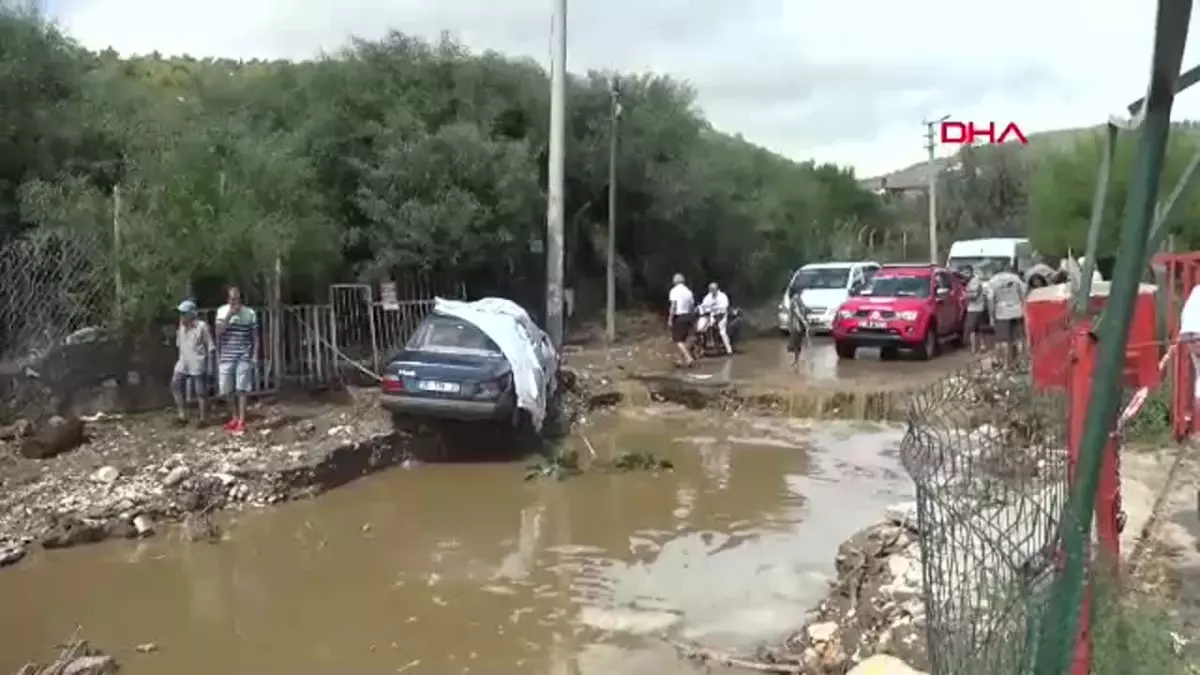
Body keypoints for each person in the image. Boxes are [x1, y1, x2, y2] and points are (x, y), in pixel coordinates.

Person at [216, 287, 258, 434]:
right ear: (228, 300)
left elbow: (255, 336)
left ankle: (242, 420)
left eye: (238, 298)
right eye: (233, 299)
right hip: (226, 355)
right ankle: (234, 417)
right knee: (226, 390)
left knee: (242, 388)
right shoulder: (221, 312)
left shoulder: (250, 313)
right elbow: (219, 332)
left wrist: (254, 355)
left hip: (244, 354)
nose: (236, 302)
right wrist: (229, 315)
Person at [172, 300, 215, 426]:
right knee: (175, 384)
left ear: (191, 314)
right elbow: (179, 344)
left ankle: (203, 418)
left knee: (200, 392)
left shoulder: (202, 327)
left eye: (184, 313)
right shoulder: (181, 326)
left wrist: (210, 365)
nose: (181, 316)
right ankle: (182, 415)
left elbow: (210, 346)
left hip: (197, 361)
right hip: (184, 360)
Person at [987, 261, 1027, 365]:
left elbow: (991, 300)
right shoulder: (1015, 278)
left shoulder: (992, 282)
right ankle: (1018, 361)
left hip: (1002, 312)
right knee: (1017, 338)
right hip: (1017, 310)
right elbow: (1023, 294)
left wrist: (991, 316)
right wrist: (1024, 309)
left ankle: (1006, 363)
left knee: (1004, 339)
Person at [696, 282, 734, 355]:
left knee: (722, 332)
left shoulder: (722, 296)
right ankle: (703, 348)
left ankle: (729, 349)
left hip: (722, 316)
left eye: (713, 289)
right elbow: (703, 306)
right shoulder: (708, 297)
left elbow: (725, 306)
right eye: (710, 289)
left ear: (717, 289)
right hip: (712, 316)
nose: (712, 290)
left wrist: (713, 308)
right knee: (702, 329)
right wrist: (703, 309)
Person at [667, 273, 696, 367]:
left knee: (677, 340)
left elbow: (673, 306)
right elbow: (692, 306)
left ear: (675, 281)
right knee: (686, 339)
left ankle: (688, 358)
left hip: (679, 317)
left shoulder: (674, 291)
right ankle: (679, 360)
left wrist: (670, 319)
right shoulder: (688, 291)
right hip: (689, 316)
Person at [962, 266, 988, 354]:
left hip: (975, 309)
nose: (965, 274)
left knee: (973, 329)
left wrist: (964, 296)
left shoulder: (975, 282)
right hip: (976, 308)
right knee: (978, 329)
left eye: (966, 272)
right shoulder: (970, 282)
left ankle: (974, 349)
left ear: (971, 272)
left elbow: (975, 296)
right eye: (964, 272)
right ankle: (982, 346)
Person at [787, 289, 810, 369]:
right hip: (796, 325)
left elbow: (803, 309)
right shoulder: (795, 300)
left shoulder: (798, 299)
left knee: (799, 343)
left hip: (798, 324)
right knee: (796, 343)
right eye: (801, 291)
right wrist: (804, 322)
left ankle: (796, 361)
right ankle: (796, 361)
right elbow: (797, 312)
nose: (802, 292)